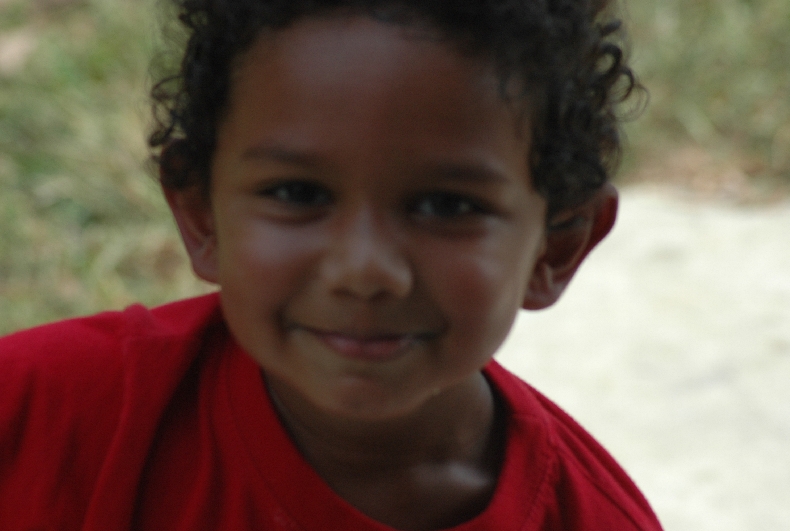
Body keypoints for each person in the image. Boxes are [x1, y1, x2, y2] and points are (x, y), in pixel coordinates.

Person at [0, 1, 662, 529]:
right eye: (298, 194)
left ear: (555, 246)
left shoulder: (588, 517)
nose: (363, 270)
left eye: (447, 205)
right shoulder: (38, 418)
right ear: (202, 215)